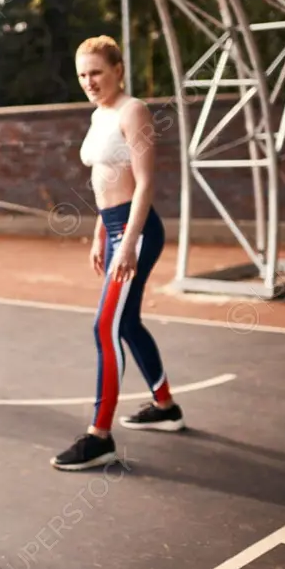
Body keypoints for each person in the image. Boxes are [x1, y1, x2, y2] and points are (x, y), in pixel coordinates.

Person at [51, 35, 185, 472]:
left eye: (97, 72)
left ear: (118, 70)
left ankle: (100, 437)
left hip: (137, 229)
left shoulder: (134, 111)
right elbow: (106, 179)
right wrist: (98, 235)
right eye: (83, 74)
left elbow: (145, 182)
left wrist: (126, 241)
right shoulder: (100, 114)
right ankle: (164, 406)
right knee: (126, 322)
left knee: (104, 327)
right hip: (113, 227)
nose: (89, 81)